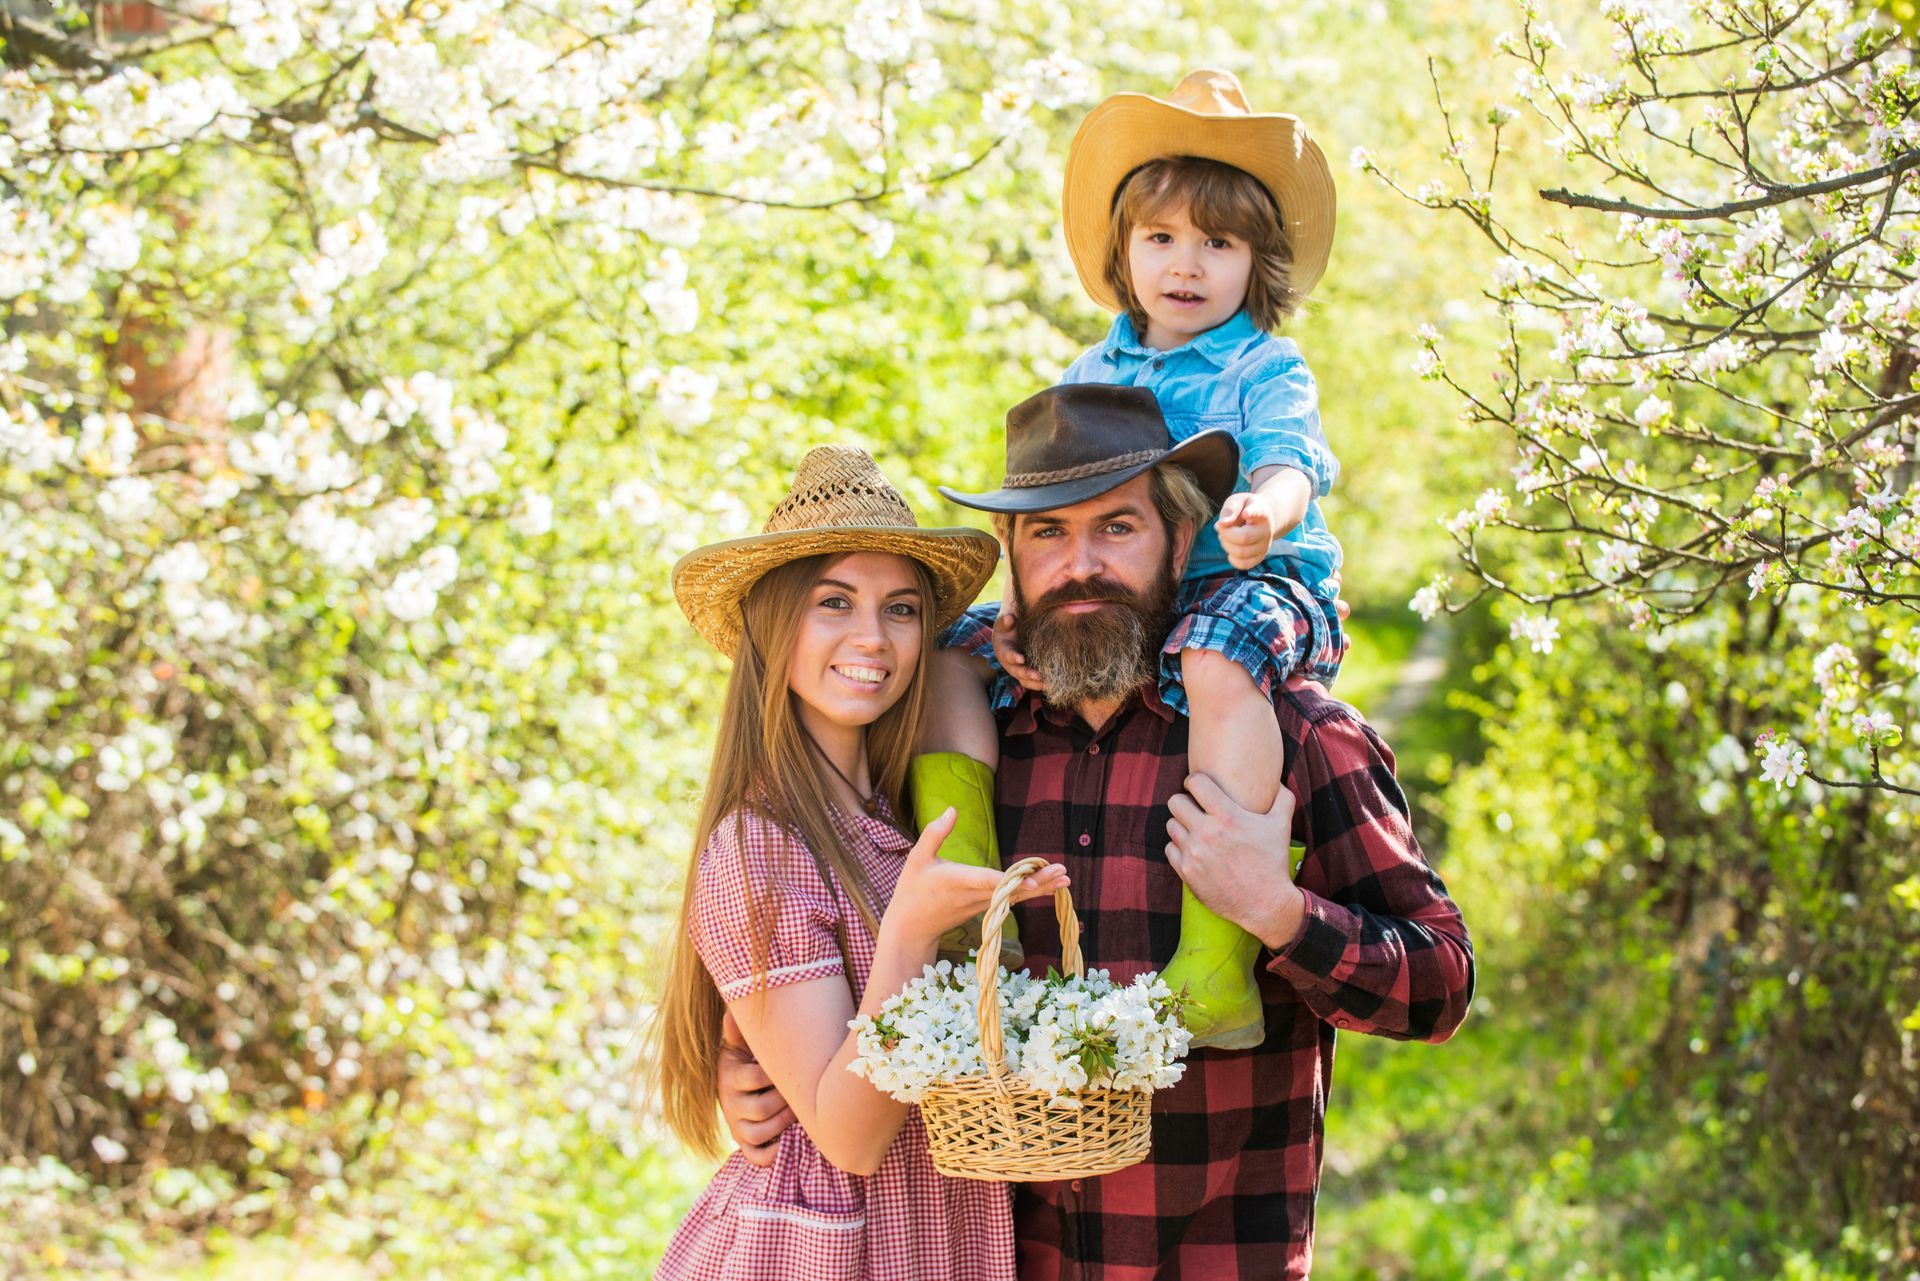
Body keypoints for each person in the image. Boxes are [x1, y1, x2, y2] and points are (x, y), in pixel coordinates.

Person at [718, 387, 1475, 1279]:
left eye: (1117, 528)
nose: (1080, 565)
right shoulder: (955, 743)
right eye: (1047, 533)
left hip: (1215, 1257)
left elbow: (1439, 983)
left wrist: (1276, 911)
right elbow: (819, 897)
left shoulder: (1286, 733)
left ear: (1179, 542)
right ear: (1011, 556)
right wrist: (745, 1058)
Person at [917, 69, 1346, 1051]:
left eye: (1218, 243)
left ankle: (1214, 951)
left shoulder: (1261, 366)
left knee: (1213, 654)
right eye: (1161, 238)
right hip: (1125, 596)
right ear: (1124, 251)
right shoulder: (1092, 369)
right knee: (953, 646)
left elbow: (1293, 461)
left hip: (1255, 579)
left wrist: (1260, 516)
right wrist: (1024, 611)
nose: (1186, 264)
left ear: (1256, 262)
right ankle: (965, 886)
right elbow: (1057, 503)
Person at [649, 445, 1070, 1280]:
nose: (872, 638)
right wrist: (908, 938)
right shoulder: (760, 845)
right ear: (773, 624)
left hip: (935, 1231)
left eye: (903, 609)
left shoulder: (892, 808)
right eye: (832, 602)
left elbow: (970, 652)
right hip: (830, 1245)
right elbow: (846, 1135)